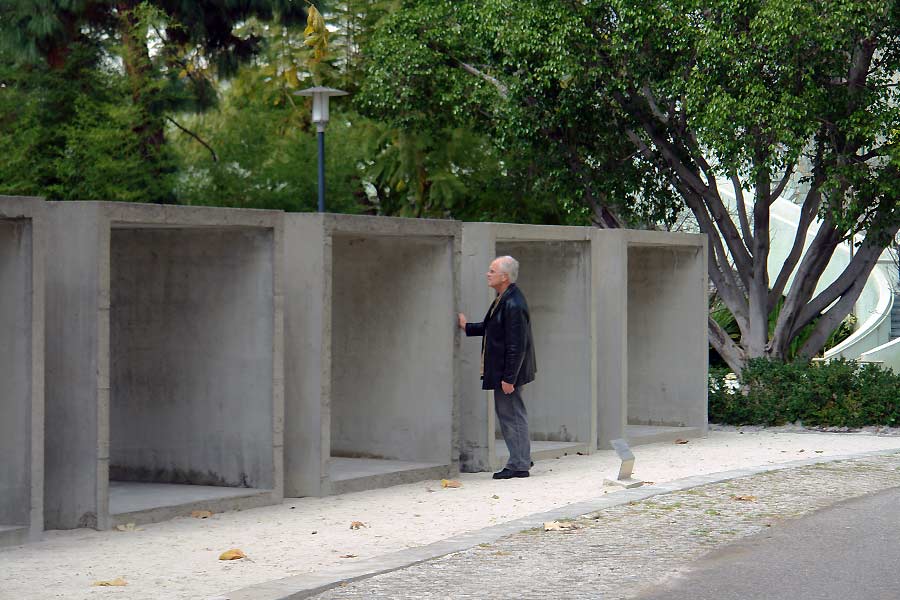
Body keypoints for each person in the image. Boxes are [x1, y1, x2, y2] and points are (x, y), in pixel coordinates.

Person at [458, 255, 536, 479]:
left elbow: (517, 344)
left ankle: (519, 464)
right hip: (505, 371)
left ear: (504, 276)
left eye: (492, 271)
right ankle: (521, 456)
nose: (487, 274)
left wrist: (509, 378)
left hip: (508, 373)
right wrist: (466, 327)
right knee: (510, 413)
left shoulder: (513, 303)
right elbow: (493, 328)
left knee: (511, 414)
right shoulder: (505, 298)